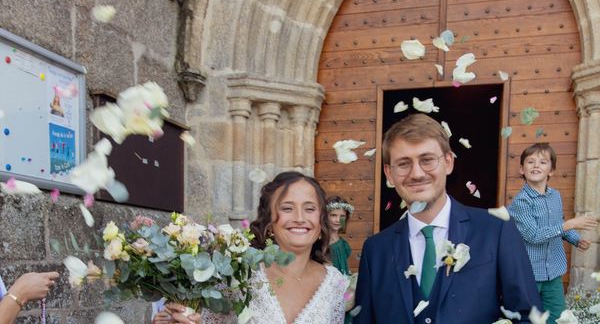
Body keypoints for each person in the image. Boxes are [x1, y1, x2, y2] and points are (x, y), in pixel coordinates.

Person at [354, 113, 542, 323]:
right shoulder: (375, 250)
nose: (416, 173)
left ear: (448, 162)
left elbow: (529, 317)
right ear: (389, 173)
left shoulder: (496, 230)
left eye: (427, 160)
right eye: (404, 164)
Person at [154, 171, 348, 324]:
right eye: (287, 208)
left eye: (310, 208)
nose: (299, 217)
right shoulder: (240, 274)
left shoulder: (334, 283)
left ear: (321, 220)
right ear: (269, 222)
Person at [508, 143, 598, 324]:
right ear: (522, 170)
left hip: (553, 271)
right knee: (527, 319)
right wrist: (569, 224)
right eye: (530, 162)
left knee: (557, 318)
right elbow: (534, 236)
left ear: (551, 171)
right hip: (529, 274)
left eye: (542, 162)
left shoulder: (555, 196)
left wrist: (575, 238)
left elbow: (558, 223)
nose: (536, 165)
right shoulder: (521, 202)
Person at [326, 196, 356, 324]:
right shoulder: (320, 243)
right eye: (333, 215)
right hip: (328, 295)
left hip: (343, 293)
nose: (338, 220)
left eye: (342, 216)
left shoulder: (343, 245)